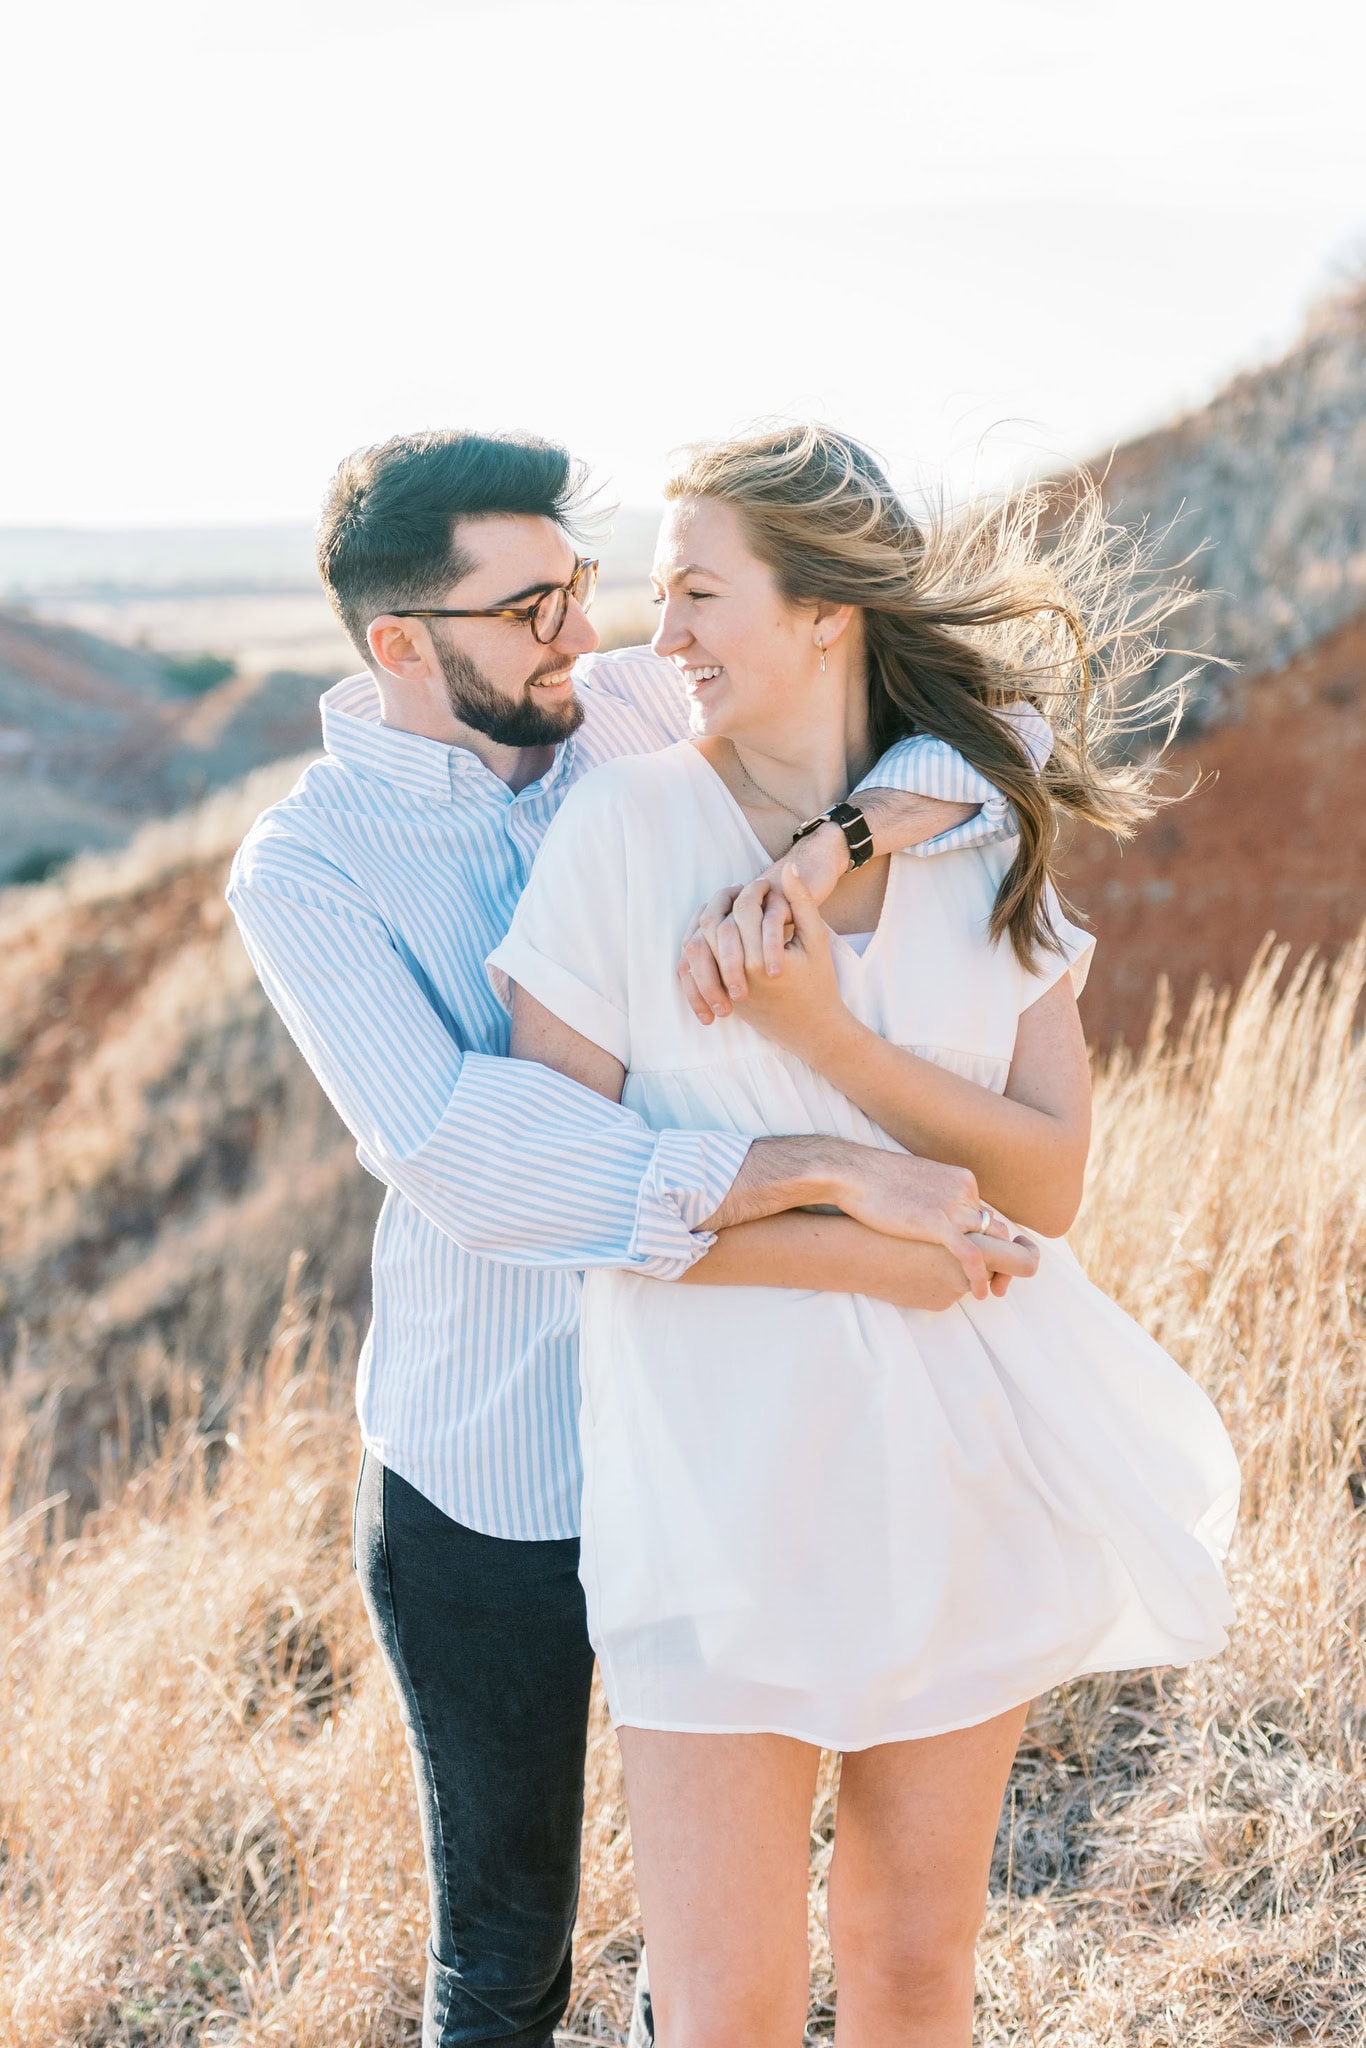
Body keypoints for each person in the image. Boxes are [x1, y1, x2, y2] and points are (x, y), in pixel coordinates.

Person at [225, 427, 1040, 2048]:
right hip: (500, 1462)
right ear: (402, 645)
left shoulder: (635, 714)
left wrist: (832, 847)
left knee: (719, 1956)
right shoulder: (305, 869)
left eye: (582, 587)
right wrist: (816, 1169)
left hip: (725, 1420)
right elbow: (463, 1152)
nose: (583, 636)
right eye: (531, 609)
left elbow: (984, 733)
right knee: (509, 1961)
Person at [489, 423, 1242, 2048]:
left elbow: (1044, 1186)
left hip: (960, 1480)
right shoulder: (619, 836)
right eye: (660, 595)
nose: (660, 636)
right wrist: (860, 1234)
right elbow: (561, 1194)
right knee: (724, 2012)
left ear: (827, 609)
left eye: (698, 592)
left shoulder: (976, 828)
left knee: (913, 1966)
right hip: (711, 1490)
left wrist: (830, 1043)